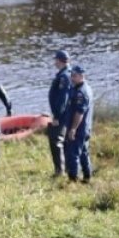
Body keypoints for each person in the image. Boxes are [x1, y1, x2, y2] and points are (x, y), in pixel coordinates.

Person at [63, 65, 93, 183]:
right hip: (83, 128)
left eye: (74, 76)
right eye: (71, 75)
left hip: (80, 128)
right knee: (84, 152)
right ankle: (87, 177)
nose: (72, 78)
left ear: (81, 76)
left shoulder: (82, 92)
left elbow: (79, 113)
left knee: (73, 154)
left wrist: (73, 129)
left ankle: (73, 180)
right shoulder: (78, 88)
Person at [47, 49, 72, 178]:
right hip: (65, 114)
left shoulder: (64, 77)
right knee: (65, 141)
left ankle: (60, 171)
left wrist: (56, 116)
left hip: (62, 115)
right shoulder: (67, 73)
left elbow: (63, 98)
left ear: (59, 60)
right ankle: (66, 168)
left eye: (55, 59)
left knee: (56, 141)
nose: (54, 62)